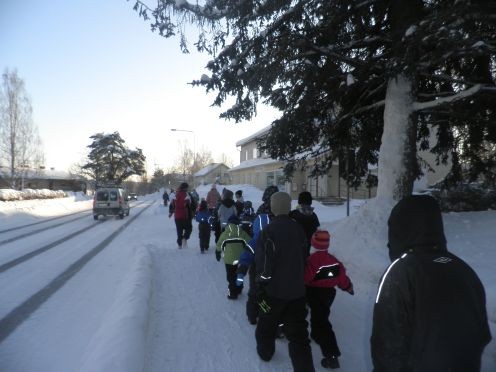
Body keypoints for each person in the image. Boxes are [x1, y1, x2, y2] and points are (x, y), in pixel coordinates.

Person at [371, 195, 491, 372]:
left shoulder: (400, 272)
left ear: (400, 229)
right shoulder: (463, 270)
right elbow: (481, 334)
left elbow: (388, 346)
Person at [254, 191, 315, 372]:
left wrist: (261, 284)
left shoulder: (269, 231)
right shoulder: (298, 229)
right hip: (297, 292)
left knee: (266, 323)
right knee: (299, 336)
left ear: (273, 207)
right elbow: (304, 257)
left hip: (273, 293)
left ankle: (266, 352)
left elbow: (264, 265)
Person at [304, 230, 354, 369]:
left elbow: (306, 278)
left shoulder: (311, 260)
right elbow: (341, 277)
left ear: (313, 243)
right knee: (320, 316)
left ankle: (332, 356)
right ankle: (315, 334)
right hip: (328, 294)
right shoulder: (334, 261)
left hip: (313, 293)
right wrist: (348, 287)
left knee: (322, 323)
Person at [236, 185, 279, 324]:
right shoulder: (278, 214)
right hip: (271, 267)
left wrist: (242, 270)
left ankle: (255, 314)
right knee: (264, 295)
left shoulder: (260, 212)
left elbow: (248, 253)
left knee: (257, 294)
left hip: (259, 267)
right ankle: (263, 315)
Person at [215, 215, 252, 299]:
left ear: (229, 224)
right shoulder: (242, 233)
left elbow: (219, 244)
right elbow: (250, 242)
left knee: (231, 276)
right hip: (240, 259)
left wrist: (218, 253)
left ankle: (232, 293)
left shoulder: (225, 234)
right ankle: (239, 288)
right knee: (239, 273)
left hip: (229, 260)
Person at [289, 191, 320, 256]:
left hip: (295, 251)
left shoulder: (293, 214)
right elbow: (317, 233)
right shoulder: (314, 216)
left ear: (299, 201)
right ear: (310, 202)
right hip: (309, 250)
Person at [168, 182, 192, 249]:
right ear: (185, 188)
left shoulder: (175, 195)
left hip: (177, 216)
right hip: (185, 215)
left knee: (179, 230)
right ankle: (185, 238)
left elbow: (172, 204)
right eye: (187, 187)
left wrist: (171, 212)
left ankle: (179, 245)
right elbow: (189, 204)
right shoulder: (186, 195)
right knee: (189, 228)